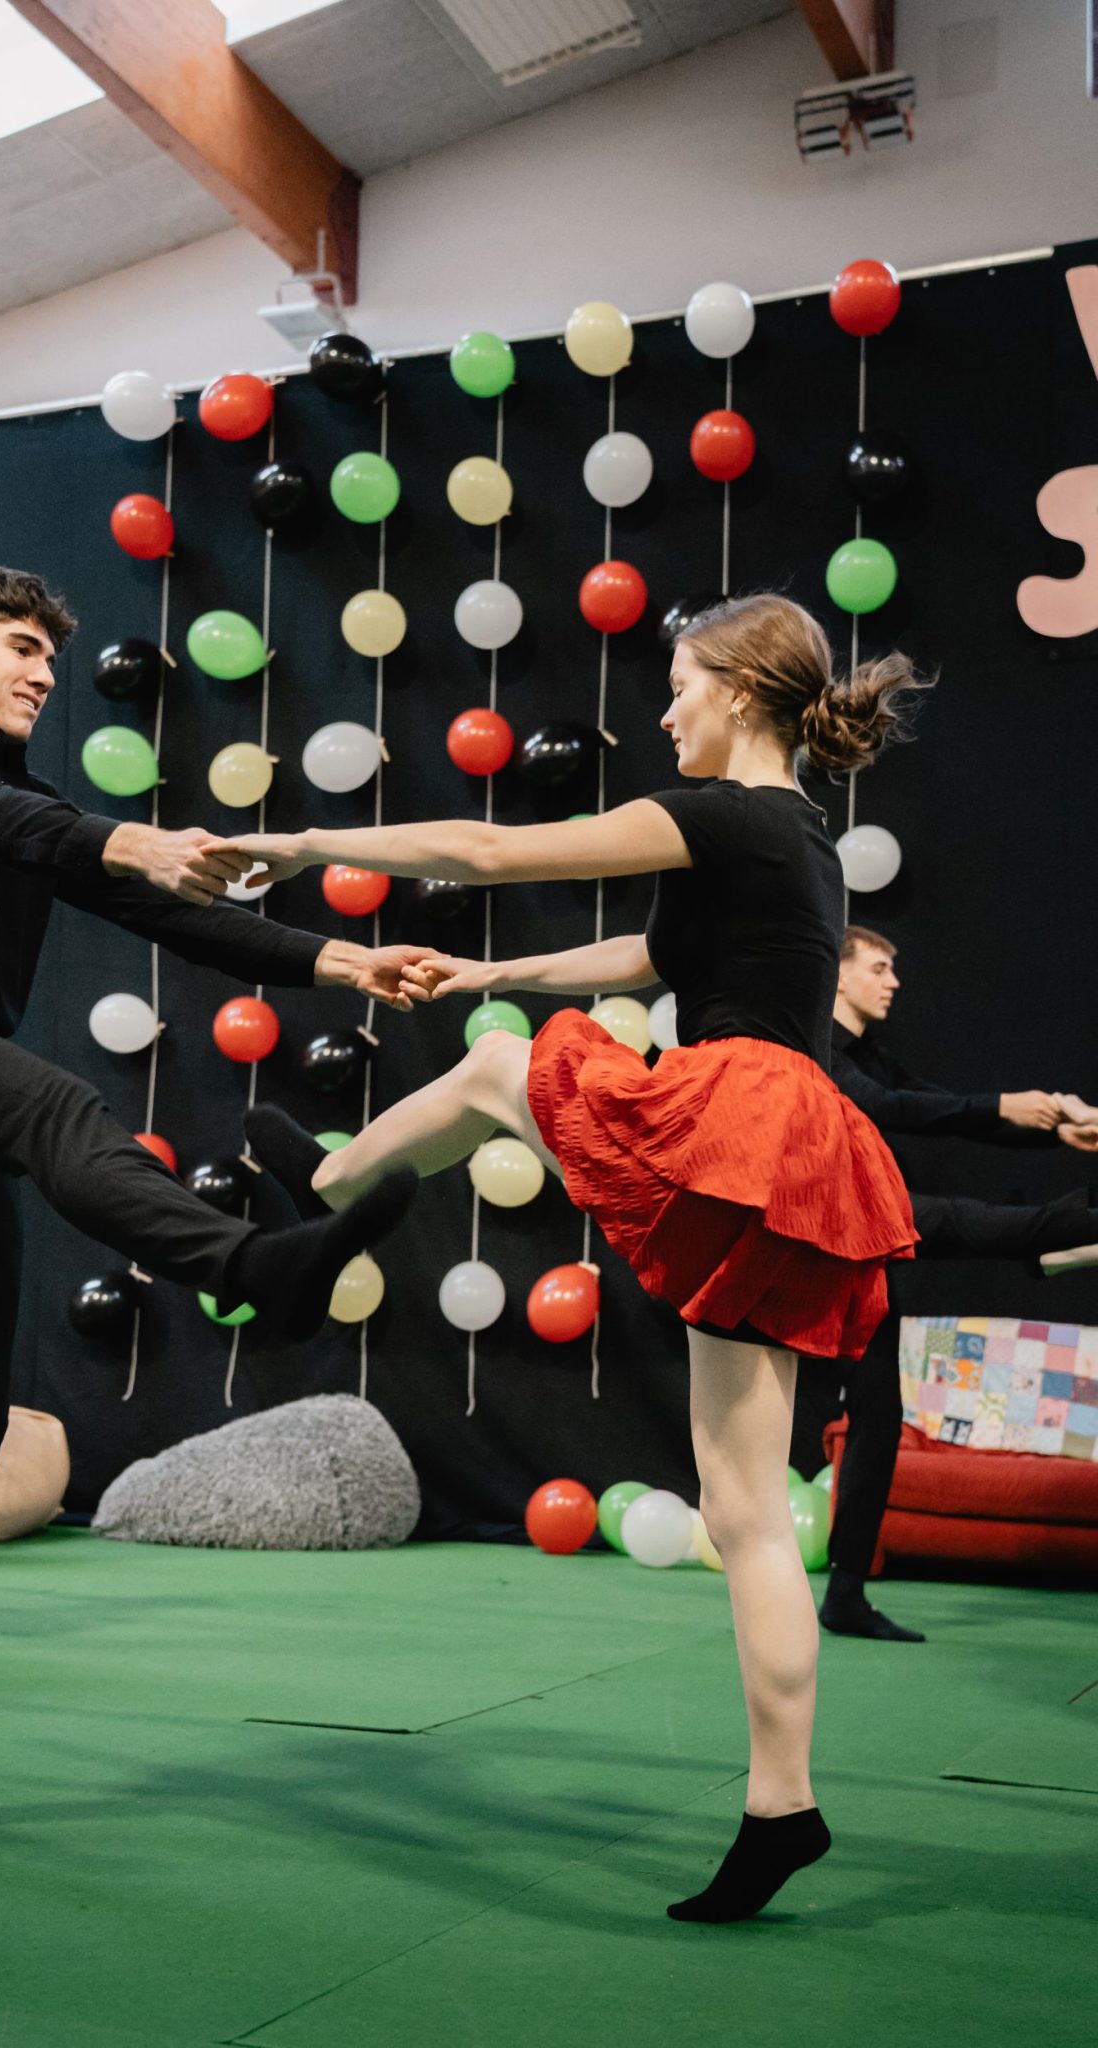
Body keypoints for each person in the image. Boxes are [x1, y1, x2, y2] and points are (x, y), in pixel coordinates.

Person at [224, 593, 924, 1924]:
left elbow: (490, 846)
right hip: (798, 1157)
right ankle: (783, 1805)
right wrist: (485, 970)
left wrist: (298, 838)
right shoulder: (803, 839)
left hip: (738, 1125)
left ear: (739, 688)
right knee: (746, 1510)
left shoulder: (722, 812)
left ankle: (315, 1192)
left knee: (503, 1071)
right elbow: (649, 954)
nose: (664, 712)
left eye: (679, 685)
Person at [0, 566, 427, 1856]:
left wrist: (341, 958)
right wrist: (127, 836)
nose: (43, 671)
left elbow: (165, 912)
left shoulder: (28, 799)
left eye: (51, 655)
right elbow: (1, 819)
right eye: (21, 646)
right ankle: (253, 1264)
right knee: (61, 1105)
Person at [820, 925, 1098, 1641]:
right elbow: (883, 1107)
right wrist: (1003, 1104)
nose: (893, 981)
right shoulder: (816, 1046)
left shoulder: (874, 1054)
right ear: (839, 975)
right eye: (879, 968)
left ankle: (844, 1594)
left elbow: (944, 1106)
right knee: (991, 1225)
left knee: (879, 1418)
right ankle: (1078, 1230)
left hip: (868, 1247)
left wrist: (1051, 1126)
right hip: (837, 1227)